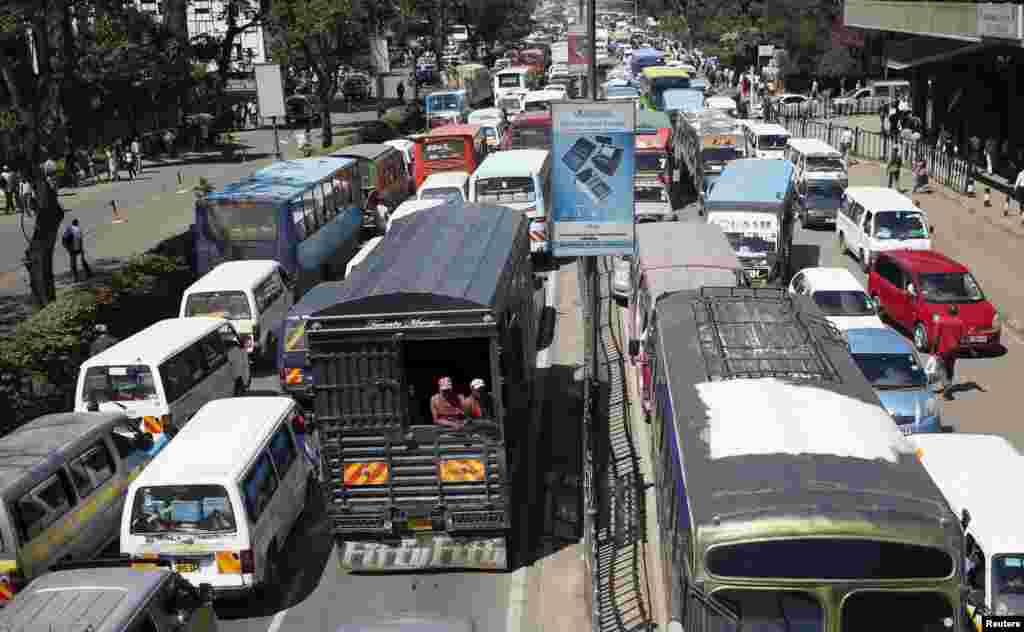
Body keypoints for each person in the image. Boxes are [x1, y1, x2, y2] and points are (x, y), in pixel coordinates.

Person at [931, 311, 964, 400]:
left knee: (940, 369)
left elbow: (936, 336)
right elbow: (961, 338)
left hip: (943, 350)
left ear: (948, 312)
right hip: (954, 351)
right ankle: (947, 390)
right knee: (949, 370)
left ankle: (946, 388)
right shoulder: (960, 322)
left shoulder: (941, 321)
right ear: (956, 312)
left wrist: (933, 349)